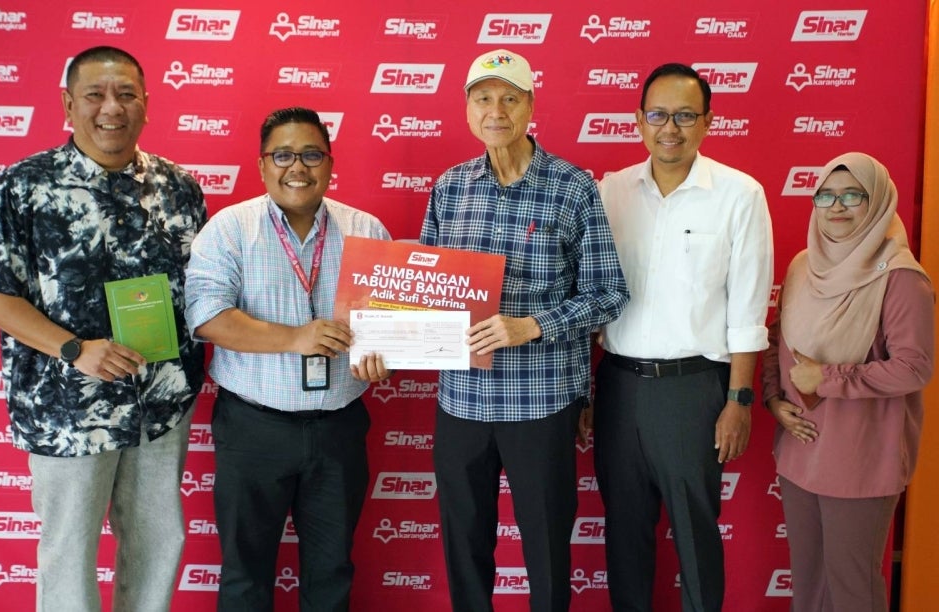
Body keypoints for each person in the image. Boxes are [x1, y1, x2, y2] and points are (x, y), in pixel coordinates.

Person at [0, 46, 206, 611]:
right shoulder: (25, 186)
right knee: (69, 552)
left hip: (159, 403)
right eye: (95, 95)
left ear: (146, 103)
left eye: (125, 94)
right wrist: (75, 349)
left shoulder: (180, 187)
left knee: (156, 544)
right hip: (66, 409)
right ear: (69, 105)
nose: (110, 108)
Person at [420, 49, 629, 612]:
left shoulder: (573, 188)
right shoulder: (449, 187)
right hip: (461, 402)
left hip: (541, 404)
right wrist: (386, 337)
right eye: (483, 98)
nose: (496, 110)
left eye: (510, 97)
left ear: (530, 106)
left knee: (547, 553)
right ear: (467, 109)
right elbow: (421, 292)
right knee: (464, 550)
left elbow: (610, 295)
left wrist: (532, 325)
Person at [184, 106, 391, 611]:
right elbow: (208, 318)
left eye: (311, 155)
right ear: (261, 165)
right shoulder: (230, 229)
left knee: (331, 573)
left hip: (339, 428)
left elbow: (390, 320)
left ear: (330, 163)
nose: (297, 167)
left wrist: (385, 353)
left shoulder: (366, 230)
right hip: (254, 429)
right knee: (245, 575)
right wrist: (294, 338)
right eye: (283, 155)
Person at [592, 62, 774, 612]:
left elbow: (747, 309)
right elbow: (589, 296)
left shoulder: (740, 195)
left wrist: (739, 401)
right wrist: (585, 394)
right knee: (624, 531)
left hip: (695, 390)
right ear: (639, 121)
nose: (670, 128)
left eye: (685, 115)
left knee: (696, 532)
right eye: (658, 115)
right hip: (618, 387)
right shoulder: (610, 191)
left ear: (708, 121)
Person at [762, 152, 934, 612]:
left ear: (877, 201)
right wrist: (775, 399)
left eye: (853, 195)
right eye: (826, 195)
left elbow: (914, 367)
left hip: (861, 460)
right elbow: (779, 338)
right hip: (801, 454)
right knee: (809, 583)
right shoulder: (803, 266)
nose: (837, 206)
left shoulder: (900, 279)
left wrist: (829, 377)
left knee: (852, 590)